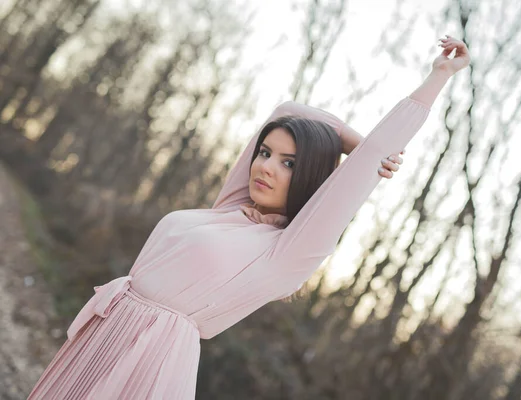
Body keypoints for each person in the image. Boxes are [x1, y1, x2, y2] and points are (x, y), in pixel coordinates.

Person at [28, 35, 470, 399]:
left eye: (289, 163)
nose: (265, 167)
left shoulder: (287, 250)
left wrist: (434, 80)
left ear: (311, 177)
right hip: (103, 335)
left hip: (146, 361)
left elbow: (370, 157)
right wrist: (350, 141)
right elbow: (286, 112)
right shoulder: (230, 209)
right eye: (265, 153)